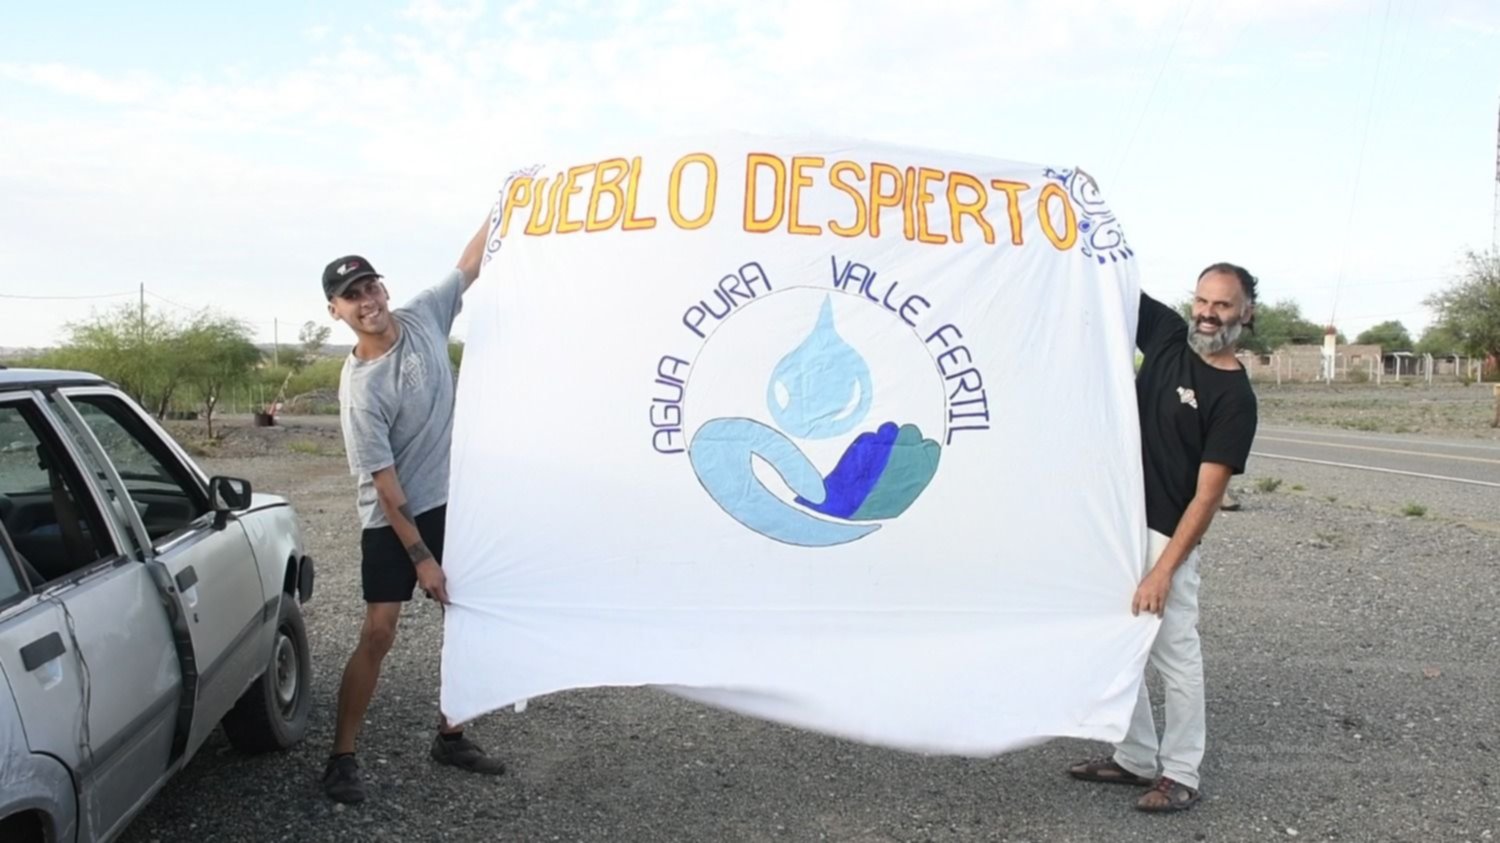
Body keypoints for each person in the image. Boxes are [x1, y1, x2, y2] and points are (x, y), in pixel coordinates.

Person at [319, 211, 506, 805]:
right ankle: (341, 756)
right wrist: (422, 558)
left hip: (450, 501)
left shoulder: (424, 313)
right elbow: (385, 486)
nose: (365, 300)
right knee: (380, 631)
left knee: (466, 617)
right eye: (351, 296)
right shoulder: (361, 391)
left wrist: (505, 203)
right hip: (393, 515)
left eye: (369, 286)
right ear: (337, 312)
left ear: (384, 287)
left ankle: (450, 734)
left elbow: (470, 265)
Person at [1068, 262, 1260, 813]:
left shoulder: (1234, 399)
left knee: (1174, 654)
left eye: (1222, 305)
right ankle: (1132, 757)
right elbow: (1112, 284)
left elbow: (1206, 499)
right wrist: (1070, 217)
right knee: (1116, 643)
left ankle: (1181, 772)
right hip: (1116, 525)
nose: (1207, 313)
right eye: (1202, 300)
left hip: (1163, 537)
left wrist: (1163, 570)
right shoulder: (1167, 336)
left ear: (1245, 313)